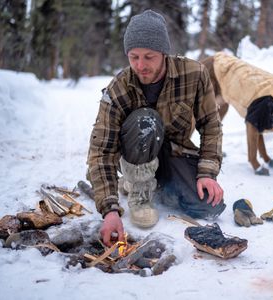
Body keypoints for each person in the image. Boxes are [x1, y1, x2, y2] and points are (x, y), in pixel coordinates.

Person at [86, 10, 226, 246]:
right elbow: (101, 152)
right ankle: (138, 188)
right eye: (134, 57)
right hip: (136, 152)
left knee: (207, 208)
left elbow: (211, 125)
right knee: (146, 120)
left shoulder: (195, 74)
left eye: (149, 56)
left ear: (164, 52)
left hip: (174, 151)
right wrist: (109, 210)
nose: (140, 65)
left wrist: (206, 173)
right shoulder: (118, 89)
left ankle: (156, 184)